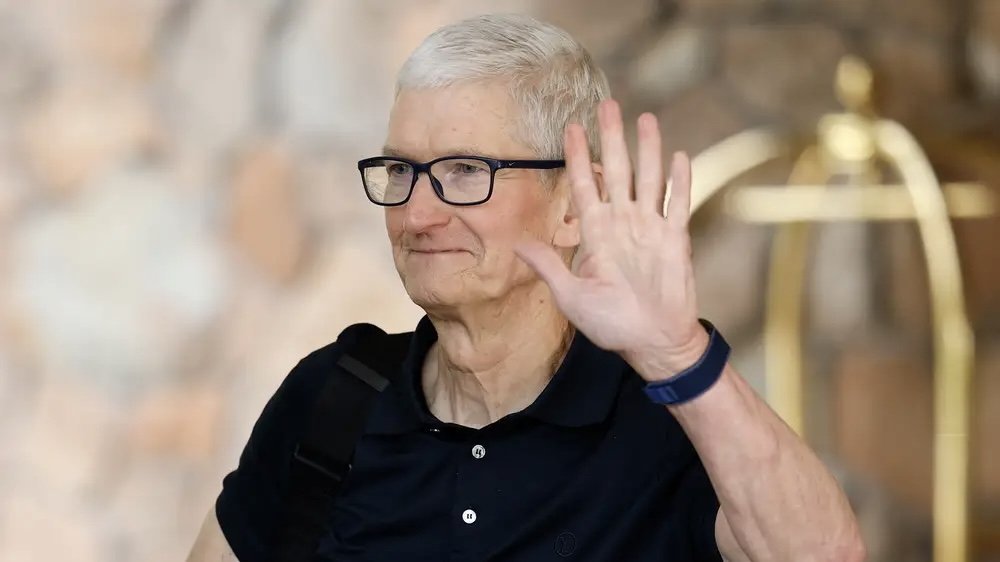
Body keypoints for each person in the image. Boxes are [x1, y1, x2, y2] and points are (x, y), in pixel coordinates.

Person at [188, 13, 865, 562]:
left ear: (574, 205)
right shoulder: (334, 395)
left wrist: (677, 355)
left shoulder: (666, 416)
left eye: (464, 170)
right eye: (401, 171)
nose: (418, 215)